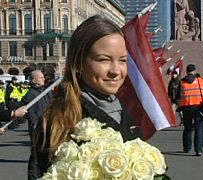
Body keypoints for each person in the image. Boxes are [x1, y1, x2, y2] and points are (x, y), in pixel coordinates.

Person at [28, 15, 142, 179]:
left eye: (122, 60)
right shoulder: (57, 119)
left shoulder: (125, 111)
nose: (116, 71)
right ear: (78, 63)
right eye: (104, 59)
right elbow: (37, 173)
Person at [178, 64, 203, 156]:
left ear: (187, 72)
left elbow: (179, 94)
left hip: (186, 106)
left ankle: (186, 148)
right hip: (199, 106)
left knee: (187, 128)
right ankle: (198, 150)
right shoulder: (200, 80)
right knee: (199, 128)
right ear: (194, 71)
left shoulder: (182, 82)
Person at [22, 70, 51, 136]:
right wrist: (36, 124)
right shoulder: (31, 94)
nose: (44, 79)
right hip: (38, 127)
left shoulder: (46, 91)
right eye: (41, 77)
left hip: (48, 124)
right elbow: (30, 112)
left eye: (43, 77)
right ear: (34, 81)